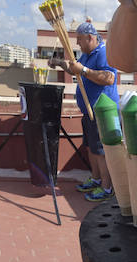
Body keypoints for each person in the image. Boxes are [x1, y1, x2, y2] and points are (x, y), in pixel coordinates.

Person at [50, 20, 119, 202]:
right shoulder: (88, 54)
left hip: (102, 113)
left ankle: (106, 187)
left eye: (80, 40)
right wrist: (60, 63)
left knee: (101, 150)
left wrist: (85, 70)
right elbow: (76, 69)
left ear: (90, 38)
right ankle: (96, 179)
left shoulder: (103, 53)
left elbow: (109, 78)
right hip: (89, 111)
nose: (78, 44)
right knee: (91, 147)